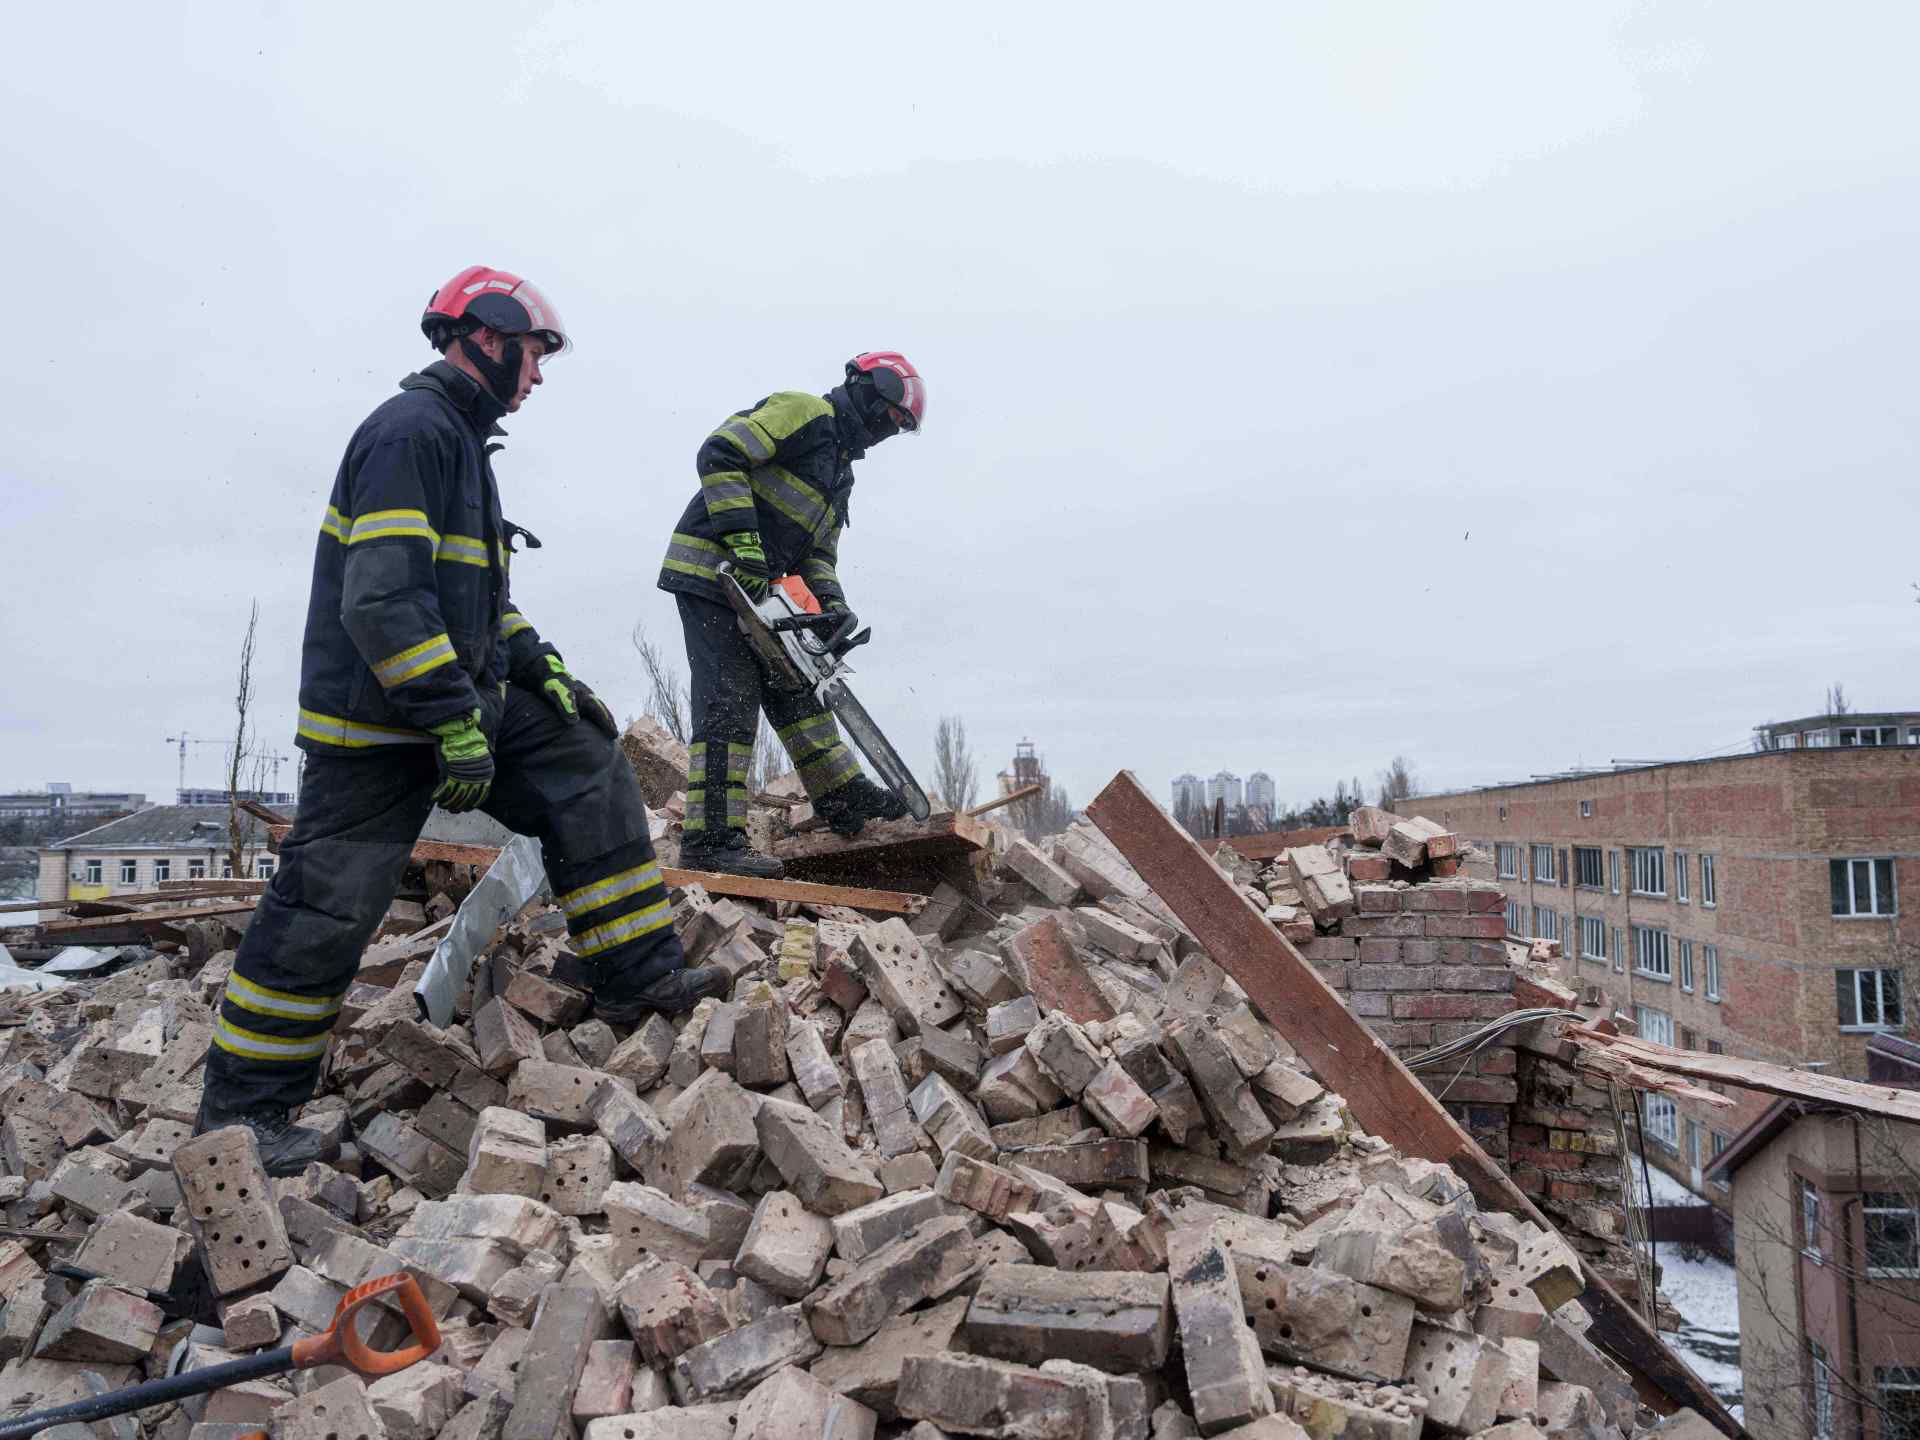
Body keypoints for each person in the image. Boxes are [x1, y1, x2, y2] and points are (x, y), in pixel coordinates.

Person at [198, 266, 727, 1174]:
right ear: (485, 338)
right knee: (326, 909)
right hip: (376, 729)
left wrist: (540, 664)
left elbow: (479, 608)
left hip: (458, 708)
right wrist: (454, 722)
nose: (540, 374)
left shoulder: (463, 447)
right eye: (534, 353)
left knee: (582, 755)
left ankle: (634, 975)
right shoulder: (411, 434)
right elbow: (382, 602)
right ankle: (243, 1117)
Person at [657, 353, 927, 878]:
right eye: (891, 417)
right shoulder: (805, 412)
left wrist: (830, 605)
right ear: (870, 391)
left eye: (898, 426)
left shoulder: (841, 474)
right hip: (711, 571)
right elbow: (721, 451)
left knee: (797, 686)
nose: (887, 431)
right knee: (730, 698)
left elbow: (817, 555)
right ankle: (710, 841)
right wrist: (744, 543)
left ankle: (841, 794)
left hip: (759, 591)